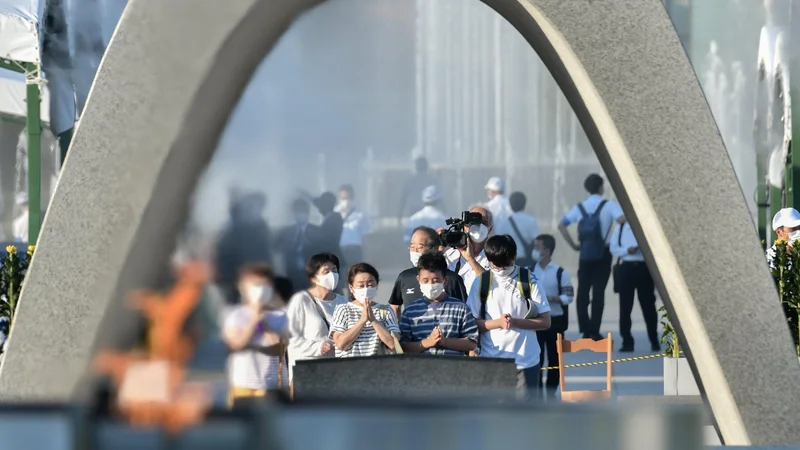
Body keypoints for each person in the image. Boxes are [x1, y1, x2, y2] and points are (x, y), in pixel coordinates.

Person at [466, 235, 551, 399]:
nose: (502, 269)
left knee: (524, 418)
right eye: (496, 265)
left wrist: (516, 322)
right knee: (494, 418)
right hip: (491, 361)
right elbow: (472, 324)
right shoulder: (481, 282)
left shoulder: (529, 280)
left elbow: (546, 321)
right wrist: (498, 323)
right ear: (489, 260)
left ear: (514, 256)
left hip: (525, 361)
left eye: (507, 264)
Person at [557, 173, 624, 340]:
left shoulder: (580, 207)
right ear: (601, 187)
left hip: (585, 254)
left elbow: (561, 225)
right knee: (599, 292)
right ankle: (595, 330)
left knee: (583, 292)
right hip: (604, 253)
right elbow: (622, 220)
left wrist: (573, 245)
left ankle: (584, 330)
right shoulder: (609, 206)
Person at [222, 264, 289, 408]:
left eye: (265, 285)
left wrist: (264, 323)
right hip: (244, 383)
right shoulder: (235, 316)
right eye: (255, 285)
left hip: (272, 385)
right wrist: (254, 318)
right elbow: (237, 343)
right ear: (243, 288)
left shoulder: (281, 316)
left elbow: (281, 347)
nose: (260, 290)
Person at [399, 252, 478, 355]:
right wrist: (428, 342)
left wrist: (445, 342)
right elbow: (403, 347)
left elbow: (471, 343)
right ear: (418, 280)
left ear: (445, 280)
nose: (430, 285)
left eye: (435, 280)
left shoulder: (460, 308)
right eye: (425, 280)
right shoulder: (410, 311)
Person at [286, 253, 348, 378]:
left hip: (336, 370)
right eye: (326, 271)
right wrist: (319, 347)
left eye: (334, 270)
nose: (332, 275)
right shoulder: (301, 300)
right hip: (307, 371)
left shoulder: (344, 301)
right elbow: (291, 338)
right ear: (314, 277)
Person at [389, 226, 468, 318]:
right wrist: (396, 329)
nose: (414, 251)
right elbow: (395, 306)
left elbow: (464, 310)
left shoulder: (452, 279)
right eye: (412, 247)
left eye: (420, 247)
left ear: (434, 249)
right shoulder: (405, 277)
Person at [532, 234, 573, 398]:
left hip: (555, 322)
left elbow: (568, 296)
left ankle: (550, 392)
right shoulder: (530, 270)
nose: (534, 251)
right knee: (537, 359)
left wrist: (552, 299)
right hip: (536, 322)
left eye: (537, 247)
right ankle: (536, 391)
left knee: (555, 361)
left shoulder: (560, 272)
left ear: (547, 251)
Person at [609, 221, 660, 353]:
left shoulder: (645, 225)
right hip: (626, 268)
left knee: (649, 306)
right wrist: (627, 250)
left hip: (644, 268)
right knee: (625, 307)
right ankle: (627, 341)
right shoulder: (620, 228)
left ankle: (654, 340)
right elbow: (613, 248)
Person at [330, 263, 401, 357]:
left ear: (376, 284)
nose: (366, 289)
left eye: (370, 284)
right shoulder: (343, 309)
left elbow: (394, 344)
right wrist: (362, 321)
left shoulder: (385, 310)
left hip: (379, 367)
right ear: (351, 288)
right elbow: (340, 344)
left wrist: (373, 321)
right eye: (361, 285)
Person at [215, 191, 272, 303]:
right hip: (235, 282)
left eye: (259, 208)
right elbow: (224, 255)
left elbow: (266, 256)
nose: (256, 211)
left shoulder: (262, 229)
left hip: (257, 281)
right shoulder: (235, 231)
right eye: (253, 207)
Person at [443, 205, 492, 295]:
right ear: (465, 226)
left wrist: (471, 259)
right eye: (473, 222)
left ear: (490, 229)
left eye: (484, 223)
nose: (478, 226)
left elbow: (492, 286)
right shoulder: (449, 255)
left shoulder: (494, 256)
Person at [276, 199, 319, 292]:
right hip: (292, 271)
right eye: (298, 212)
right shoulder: (286, 231)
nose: (300, 215)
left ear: (307, 214)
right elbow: (277, 247)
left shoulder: (316, 231)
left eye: (303, 212)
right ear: (294, 214)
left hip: (310, 272)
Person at [493, 191, 540, 268]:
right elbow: (538, 241)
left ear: (510, 204)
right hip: (526, 263)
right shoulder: (531, 221)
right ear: (524, 204)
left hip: (507, 263)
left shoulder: (503, 222)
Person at [335, 184, 371, 269]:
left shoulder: (360, 215)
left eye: (347, 198)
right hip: (339, 249)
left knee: (355, 274)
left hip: (355, 249)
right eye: (343, 199)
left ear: (352, 198)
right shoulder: (334, 214)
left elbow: (366, 235)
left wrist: (367, 252)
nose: (345, 201)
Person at [399, 156, 438, 220]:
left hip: (415, 210)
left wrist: (399, 213)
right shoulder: (432, 180)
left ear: (416, 166)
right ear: (426, 166)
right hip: (429, 211)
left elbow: (403, 198)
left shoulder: (411, 180)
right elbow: (439, 198)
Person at [311, 192, 344, 262]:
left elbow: (327, 239)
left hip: (331, 257)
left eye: (321, 204)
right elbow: (316, 202)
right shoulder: (329, 218)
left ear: (326, 205)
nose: (319, 207)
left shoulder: (335, 218)